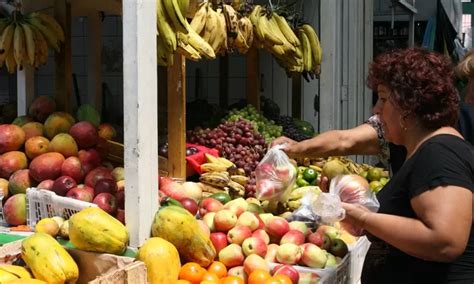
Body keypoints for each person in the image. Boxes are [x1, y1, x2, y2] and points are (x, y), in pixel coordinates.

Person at [275, 48, 474, 283]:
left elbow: (446, 241)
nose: (376, 110)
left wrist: (363, 218)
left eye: (383, 99)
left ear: (408, 104)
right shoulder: (430, 149)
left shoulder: (440, 152)